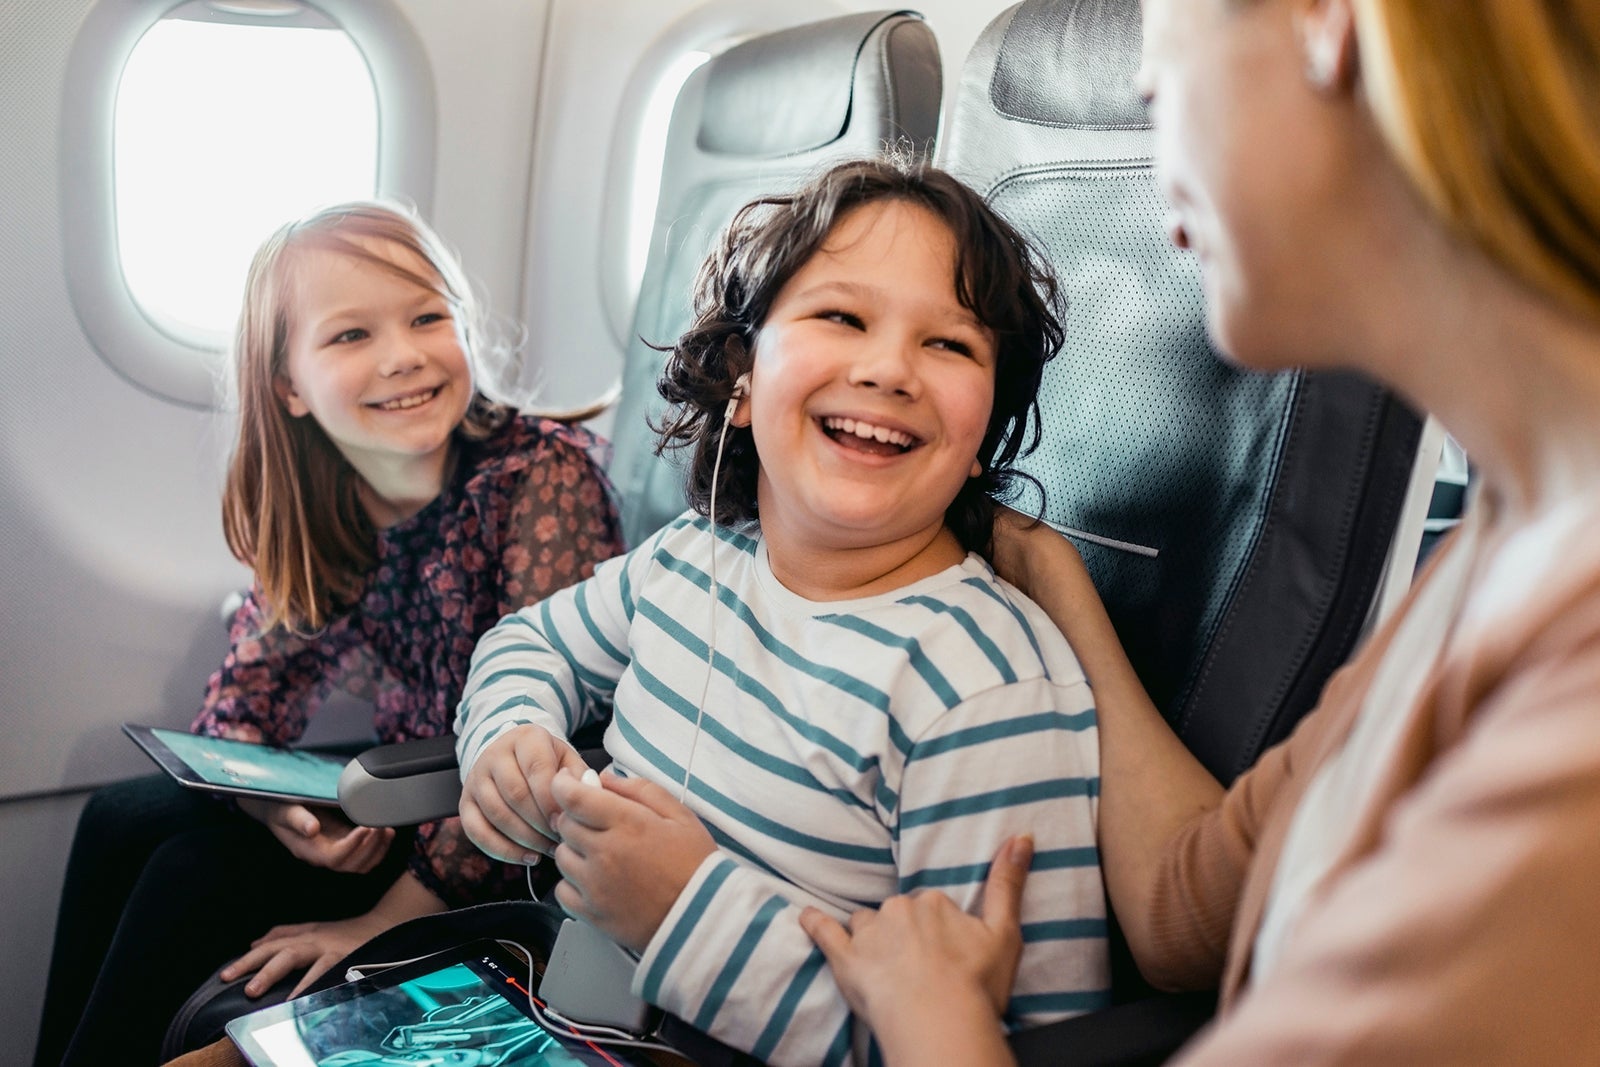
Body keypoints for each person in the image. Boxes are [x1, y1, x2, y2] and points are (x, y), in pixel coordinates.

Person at [799, 0, 1600, 1063]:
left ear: (1327, 22)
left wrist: (935, 1023)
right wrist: (1058, 584)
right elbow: (1187, 909)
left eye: (1164, 63)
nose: (1146, 109)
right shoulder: (1501, 546)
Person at [453, 156, 1110, 1066]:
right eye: (842, 316)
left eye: (950, 344)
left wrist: (684, 911)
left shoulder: (977, 688)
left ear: (980, 442)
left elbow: (1014, 1047)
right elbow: (529, 643)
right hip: (562, 1016)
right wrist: (509, 736)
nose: (888, 369)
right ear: (742, 381)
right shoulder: (695, 556)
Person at [35, 201, 625, 1066]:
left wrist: (381, 922)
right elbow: (243, 701)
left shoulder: (542, 478)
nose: (403, 355)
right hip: (413, 802)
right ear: (289, 387)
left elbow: (546, 745)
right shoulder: (329, 502)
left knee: (186, 877)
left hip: (507, 837)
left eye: (429, 317)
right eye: (351, 336)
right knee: (122, 817)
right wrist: (274, 808)